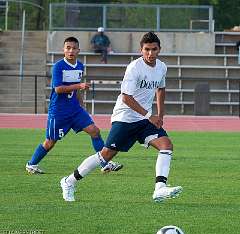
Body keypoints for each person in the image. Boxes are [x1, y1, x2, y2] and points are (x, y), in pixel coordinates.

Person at [60, 32, 183, 202]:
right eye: (146, 49)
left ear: (159, 49)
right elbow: (126, 97)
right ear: (141, 50)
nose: (150, 53)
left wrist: (160, 114)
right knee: (106, 155)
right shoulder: (134, 67)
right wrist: (150, 115)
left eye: (154, 49)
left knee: (166, 145)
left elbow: (160, 89)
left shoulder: (162, 67)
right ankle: (69, 181)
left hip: (144, 120)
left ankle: (160, 188)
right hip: (125, 117)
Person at [26, 37, 122, 174]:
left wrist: (82, 106)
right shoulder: (58, 66)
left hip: (75, 110)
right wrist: (79, 85)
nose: (71, 51)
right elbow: (58, 89)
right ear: (63, 50)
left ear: (78, 50)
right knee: (50, 142)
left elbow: (77, 90)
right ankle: (32, 164)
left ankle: (105, 163)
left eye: (73, 48)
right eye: (68, 48)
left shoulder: (80, 66)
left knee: (94, 131)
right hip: (59, 111)